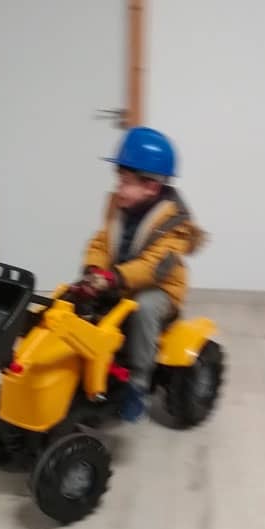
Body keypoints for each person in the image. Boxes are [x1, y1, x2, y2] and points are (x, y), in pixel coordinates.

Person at [80, 126, 206, 421]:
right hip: (118, 280)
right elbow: (101, 242)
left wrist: (113, 278)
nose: (119, 188)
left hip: (160, 289)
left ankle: (137, 383)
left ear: (151, 187)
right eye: (119, 180)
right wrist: (94, 270)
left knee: (144, 308)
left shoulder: (175, 225)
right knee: (76, 299)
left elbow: (153, 266)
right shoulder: (118, 207)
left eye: (125, 182)